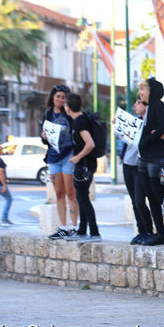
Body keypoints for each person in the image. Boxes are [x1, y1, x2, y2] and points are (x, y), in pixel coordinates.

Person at [137, 78, 164, 246]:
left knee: (160, 197)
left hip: (156, 159)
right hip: (145, 159)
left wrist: (148, 139)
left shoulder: (158, 105)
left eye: (143, 89)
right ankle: (160, 232)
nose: (140, 93)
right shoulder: (150, 108)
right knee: (150, 197)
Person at [41, 85, 79, 240]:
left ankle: (75, 226)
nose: (60, 99)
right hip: (53, 156)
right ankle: (63, 227)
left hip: (68, 155)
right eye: (57, 96)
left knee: (71, 192)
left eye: (63, 97)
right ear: (52, 97)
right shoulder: (47, 113)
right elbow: (44, 136)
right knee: (59, 193)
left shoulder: (69, 113)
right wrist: (43, 136)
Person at [64, 93, 101, 242]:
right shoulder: (82, 119)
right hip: (86, 164)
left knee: (83, 199)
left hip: (84, 165)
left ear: (67, 107)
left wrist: (77, 157)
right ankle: (82, 231)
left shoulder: (80, 122)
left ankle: (94, 232)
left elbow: (90, 143)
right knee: (81, 197)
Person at [119, 97, 154, 244]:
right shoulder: (133, 121)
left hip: (140, 166)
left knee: (140, 201)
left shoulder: (150, 123)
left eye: (138, 102)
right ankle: (141, 232)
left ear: (146, 105)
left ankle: (149, 231)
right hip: (128, 164)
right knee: (134, 201)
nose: (135, 105)